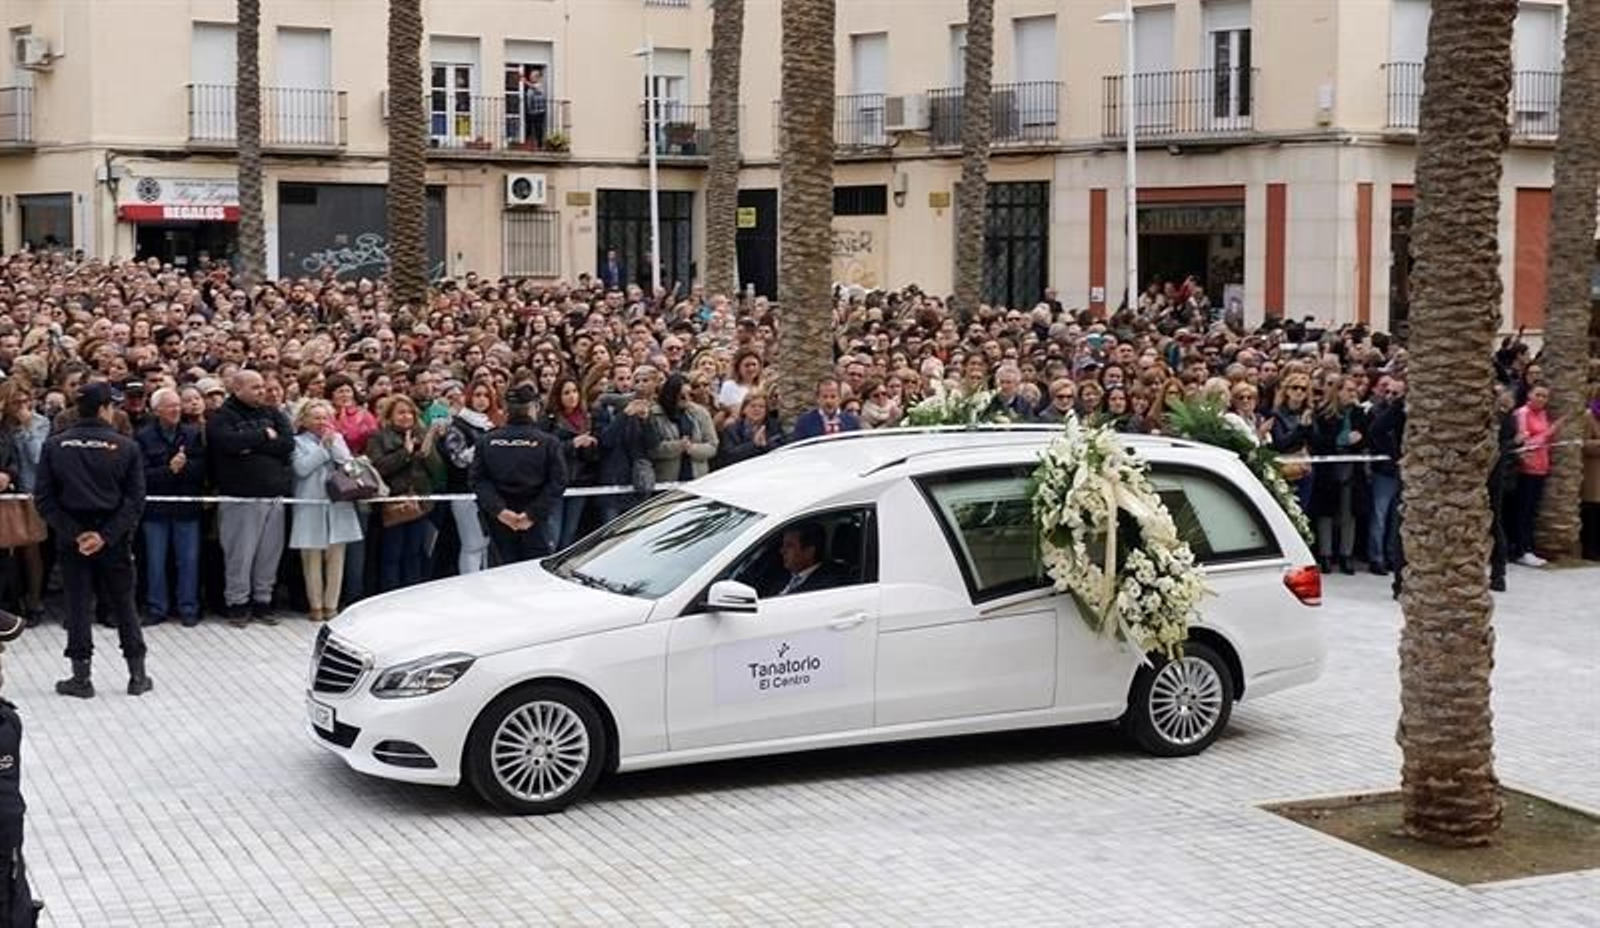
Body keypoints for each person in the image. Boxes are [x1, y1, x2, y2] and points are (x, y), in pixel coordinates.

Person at [34, 382, 150, 698]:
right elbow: (135, 500)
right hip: (113, 537)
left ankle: (81, 678)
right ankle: (137, 675)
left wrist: (76, 533)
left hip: (73, 535)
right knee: (124, 603)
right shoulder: (127, 447)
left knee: (78, 604)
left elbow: (44, 499)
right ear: (103, 409)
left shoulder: (55, 445)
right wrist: (105, 535)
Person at [206, 370, 294, 625]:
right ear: (237, 388)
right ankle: (237, 603)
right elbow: (226, 444)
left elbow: (287, 444)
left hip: (274, 496)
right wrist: (263, 437)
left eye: (262, 386)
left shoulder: (272, 413)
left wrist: (251, 446)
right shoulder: (222, 417)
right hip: (240, 498)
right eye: (255, 387)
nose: (262, 391)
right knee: (240, 555)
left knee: (269, 554)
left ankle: (263, 602)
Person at [472, 384, 567, 565]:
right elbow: (558, 481)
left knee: (502, 573)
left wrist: (500, 511)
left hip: (503, 520)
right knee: (533, 576)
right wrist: (531, 514)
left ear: (506, 409)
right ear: (533, 408)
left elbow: (478, 480)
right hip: (532, 521)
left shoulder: (487, 441)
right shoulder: (548, 442)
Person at [134, 388, 205, 627]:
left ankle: (188, 607)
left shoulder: (192, 434)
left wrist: (184, 468)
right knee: (155, 561)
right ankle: (157, 607)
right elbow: (141, 475)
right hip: (156, 511)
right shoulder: (143, 437)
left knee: (189, 560)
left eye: (177, 405)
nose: (176, 410)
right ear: (156, 410)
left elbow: (204, 468)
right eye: (169, 406)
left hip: (186, 508)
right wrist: (169, 470)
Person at [289, 400, 364, 621]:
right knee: (311, 558)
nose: (322, 422)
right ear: (304, 420)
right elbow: (301, 469)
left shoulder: (338, 439)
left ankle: (331, 605)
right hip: (310, 504)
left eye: (325, 417)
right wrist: (323, 449)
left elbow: (352, 468)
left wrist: (337, 447)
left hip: (337, 504)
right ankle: (316, 605)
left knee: (336, 557)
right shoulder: (297, 442)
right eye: (316, 417)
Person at [368, 395, 445, 592]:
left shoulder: (421, 434)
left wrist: (428, 449)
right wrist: (405, 453)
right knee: (392, 554)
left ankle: (412, 593)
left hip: (420, 503)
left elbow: (437, 471)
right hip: (393, 505)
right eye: (401, 412)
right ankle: (389, 593)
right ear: (390, 416)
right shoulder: (378, 438)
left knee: (415, 553)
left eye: (409, 412)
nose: (406, 416)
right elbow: (379, 467)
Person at [441, 378, 500, 574]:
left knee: (485, 543)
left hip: (489, 491)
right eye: (477, 395)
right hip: (464, 492)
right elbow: (458, 460)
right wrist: (485, 443)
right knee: (472, 544)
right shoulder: (457, 425)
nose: (482, 400)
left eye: (486, 396)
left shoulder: (492, 425)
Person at [543, 377, 600, 551]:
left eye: (574, 392)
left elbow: (594, 458)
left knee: (570, 532)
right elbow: (545, 451)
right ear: (558, 396)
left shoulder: (587, 418)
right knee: (553, 531)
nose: (571, 396)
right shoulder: (550, 420)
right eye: (566, 393)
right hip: (557, 482)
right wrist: (572, 444)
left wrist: (591, 446)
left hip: (580, 481)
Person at [1510, 384, 1560, 567]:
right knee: (1522, 511)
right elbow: (1526, 443)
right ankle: (1521, 550)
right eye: (1538, 394)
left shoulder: (1543, 414)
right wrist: (1550, 432)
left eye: (1545, 396)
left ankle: (1528, 547)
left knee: (1532, 511)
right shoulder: (1522, 413)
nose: (1541, 399)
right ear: (1529, 395)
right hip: (1526, 469)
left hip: (1541, 468)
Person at [648, 373, 718, 485]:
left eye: (689, 395)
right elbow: (652, 449)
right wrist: (678, 446)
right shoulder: (654, 414)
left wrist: (692, 448)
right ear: (671, 395)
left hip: (696, 478)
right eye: (681, 396)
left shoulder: (701, 413)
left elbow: (712, 446)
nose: (686, 399)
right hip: (666, 480)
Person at [774, 522, 848, 596]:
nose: (782, 551)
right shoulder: (781, 577)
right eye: (783, 545)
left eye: (789, 545)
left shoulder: (825, 586)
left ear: (809, 551)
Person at [715, 393, 784, 469]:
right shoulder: (732, 430)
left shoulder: (774, 426)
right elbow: (729, 456)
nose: (757, 409)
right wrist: (753, 445)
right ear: (744, 409)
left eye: (761, 406)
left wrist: (766, 445)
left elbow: (781, 449)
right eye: (752, 406)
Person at [792, 378, 862, 440]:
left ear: (840, 398)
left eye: (833, 397)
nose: (828, 401)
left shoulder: (852, 421)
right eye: (825, 397)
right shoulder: (804, 422)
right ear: (817, 398)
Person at [521, 66, 549, 147]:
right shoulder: (531, 87)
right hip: (531, 111)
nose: (531, 77)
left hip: (539, 111)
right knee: (529, 128)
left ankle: (539, 145)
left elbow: (534, 87)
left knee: (538, 129)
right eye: (530, 76)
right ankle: (527, 143)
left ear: (538, 77)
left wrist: (524, 81)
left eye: (532, 76)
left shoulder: (540, 85)